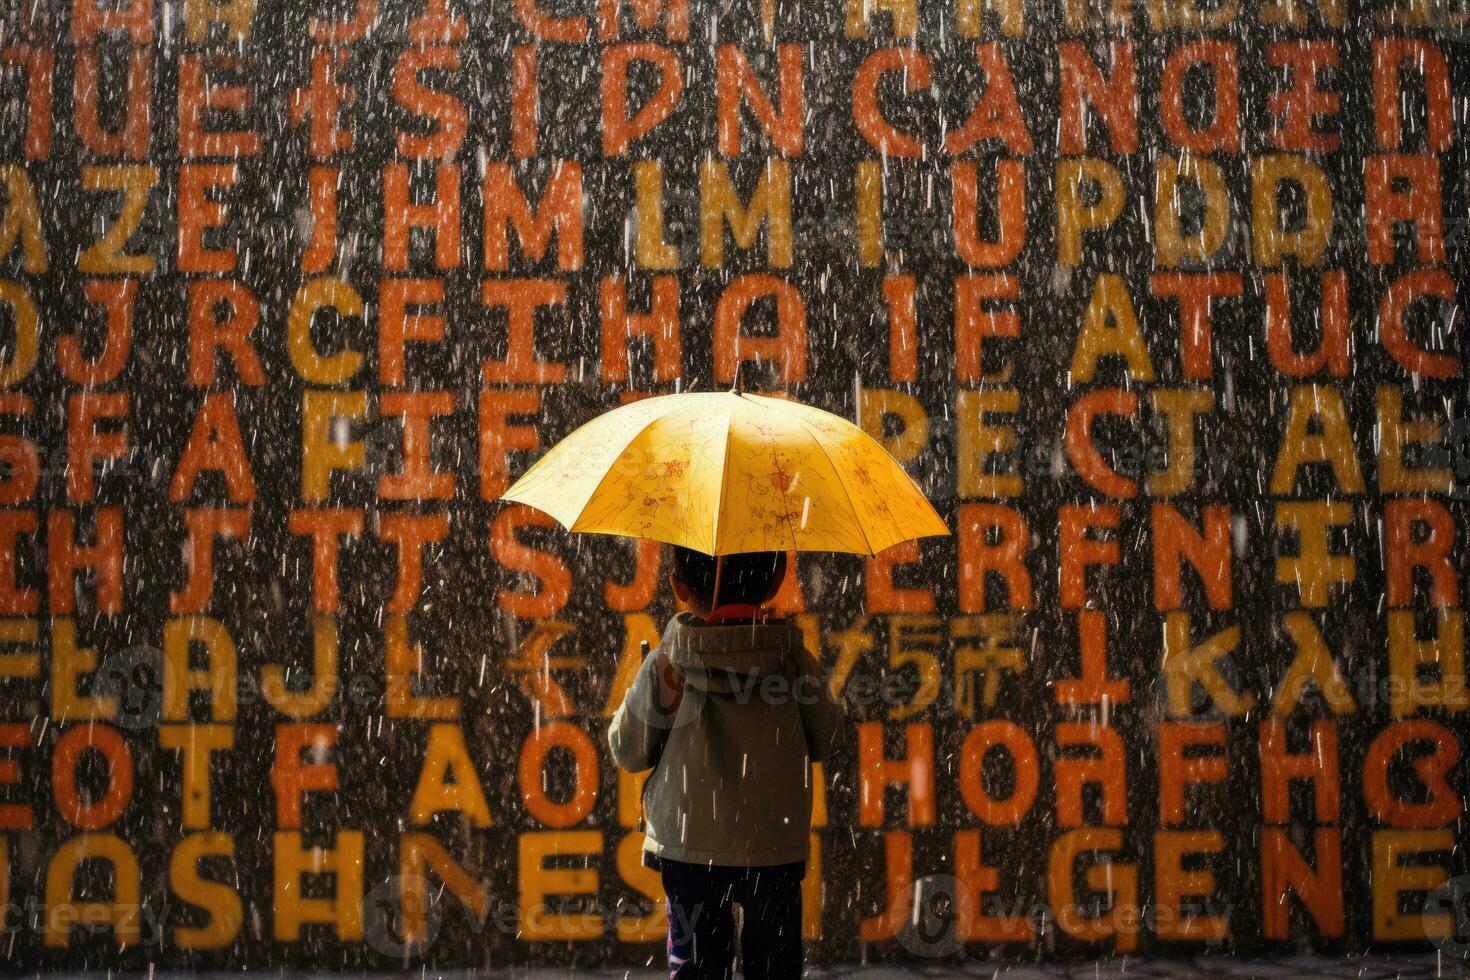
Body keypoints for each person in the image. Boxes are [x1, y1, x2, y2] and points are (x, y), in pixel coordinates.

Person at [608, 546, 842, 979]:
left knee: (697, 968)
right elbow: (828, 737)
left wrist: (654, 685)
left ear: (679, 586)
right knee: (774, 968)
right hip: (774, 845)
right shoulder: (791, 658)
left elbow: (628, 749)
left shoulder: (669, 662)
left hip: (689, 845)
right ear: (776, 580)